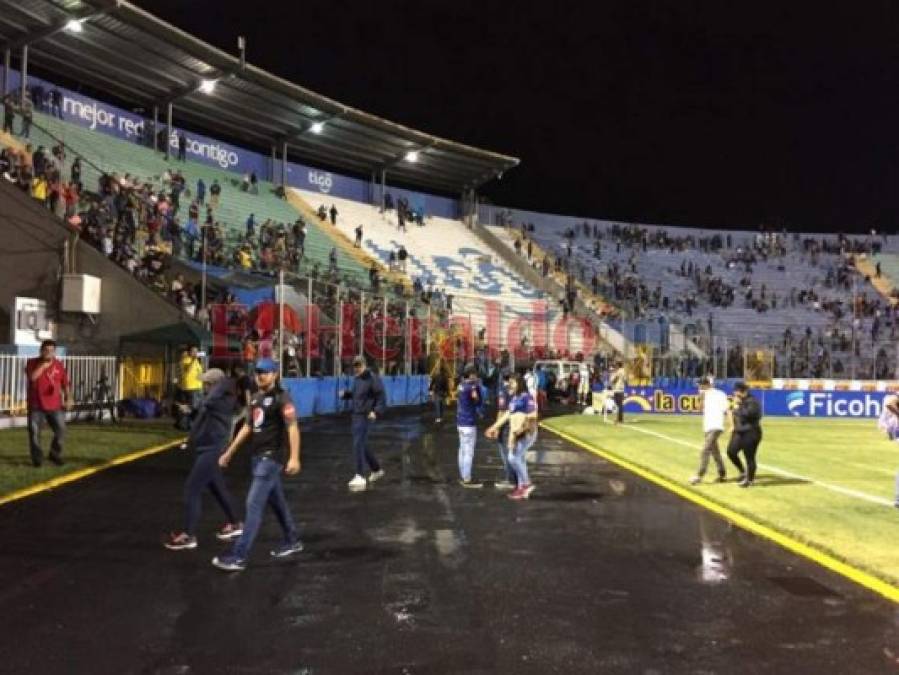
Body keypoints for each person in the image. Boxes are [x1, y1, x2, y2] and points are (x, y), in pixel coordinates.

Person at [213, 359, 303, 571]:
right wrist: (229, 452)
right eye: (258, 372)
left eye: (265, 372)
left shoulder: (283, 399)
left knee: (253, 505)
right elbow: (247, 428)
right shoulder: (255, 399)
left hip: (270, 460)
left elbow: (292, 429)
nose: (260, 376)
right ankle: (292, 540)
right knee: (277, 502)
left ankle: (239, 555)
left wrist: (294, 457)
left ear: (275, 375)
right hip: (256, 458)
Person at [165, 369, 244, 550]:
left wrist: (221, 383)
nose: (204, 387)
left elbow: (210, 402)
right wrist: (190, 411)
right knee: (217, 489)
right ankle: (236, 523)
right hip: (204, 448)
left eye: (207, 384)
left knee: (192, 489)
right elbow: (201, 415)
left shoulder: (221, 401)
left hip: (212, 450)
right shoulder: (213, 402)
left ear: (216, 386)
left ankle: (188, 535)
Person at [486, 373, 538, 499]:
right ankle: (521, 488)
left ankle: (526, 483)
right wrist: (494, 427)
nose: (510, 384)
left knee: (513, 457)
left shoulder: (527, 397)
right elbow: (507, 415)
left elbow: (533, 416)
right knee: (519, 458)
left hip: (525, 433)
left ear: (519, 383)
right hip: (516, 433)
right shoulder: (514, 398)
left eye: (513, 382)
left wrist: (520, 430)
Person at [340, 356, 387, 491]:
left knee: (358, 444)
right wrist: (346, 395)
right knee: (363, 444)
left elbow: (381, 396)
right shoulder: (357, 379)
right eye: (355, 366)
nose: (357, 368)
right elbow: (356, 395)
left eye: (359, 365)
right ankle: (376, 469)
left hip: (366, 416)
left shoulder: (372, 378)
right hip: (356, 415)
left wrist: (376, 411)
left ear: (365, 365)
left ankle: (359, 475)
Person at [25, 340, 72, 467]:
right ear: (41, 350)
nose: (48, 353)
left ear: (54, 352)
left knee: (61, 430)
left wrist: (68, 398)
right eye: (46, 350)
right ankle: (37, 459)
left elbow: (65, 384)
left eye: (51, 350)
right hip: (36, 405)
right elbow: (32, 377)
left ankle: (54, 454)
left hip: (55, 405)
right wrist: (43, 366)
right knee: (34, 433)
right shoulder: (32, 362)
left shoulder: (59, 365)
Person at [689, 377, 730, 485]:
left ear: (706, 385)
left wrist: (732, 425)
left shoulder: (719, 394)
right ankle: (722, 474)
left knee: (705, 450)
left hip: (716, 426)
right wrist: (701, 398)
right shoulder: (703, 395)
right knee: (715, 452)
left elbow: (727, 410)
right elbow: (699, 409)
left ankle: (699, 475)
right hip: (707, 426)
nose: (699, 387)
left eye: (701, 385)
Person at [726, 382, 763, 488]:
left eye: (736, 391)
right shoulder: (741, 401)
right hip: (739, 431)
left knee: (749, 457)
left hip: (751, 432)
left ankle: (750, 480)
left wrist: (738, 407)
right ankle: (742, 472)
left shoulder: (753, 402)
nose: (734, 393)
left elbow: (749, 415)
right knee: (731, 451)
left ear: (743, 391)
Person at [489, 371, 517, 490]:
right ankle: (516, 478)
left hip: (505, 426)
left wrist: (496, 427)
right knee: (513, 453)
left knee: (506, 453)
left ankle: (511, 479)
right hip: (515, 425)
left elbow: (501, 410)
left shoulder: (503, 391)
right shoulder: (517, 391)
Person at [456, 365, 483, 488]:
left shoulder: (461, 385)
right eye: (475, 374)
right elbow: (478, 401)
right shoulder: (472, 387)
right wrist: (476, 388)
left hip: (460, 421)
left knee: (462, 450)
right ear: (471, 374)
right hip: (468, 422)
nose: (476, 376)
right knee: (468, 452)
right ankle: (467, 478)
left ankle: (463, 475)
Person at [176, 346, 204, 431]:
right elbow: (187, 370)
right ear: (189, 352)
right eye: (193, 351)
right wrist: (193, 359)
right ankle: (185, 425)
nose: (195, 352)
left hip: (198, 387)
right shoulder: (186, 360)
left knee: (196, 408)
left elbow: (199, 372)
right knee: (191, 408)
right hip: (191, 388)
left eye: (197, 351)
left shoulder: (196, 361)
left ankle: (189, 425)